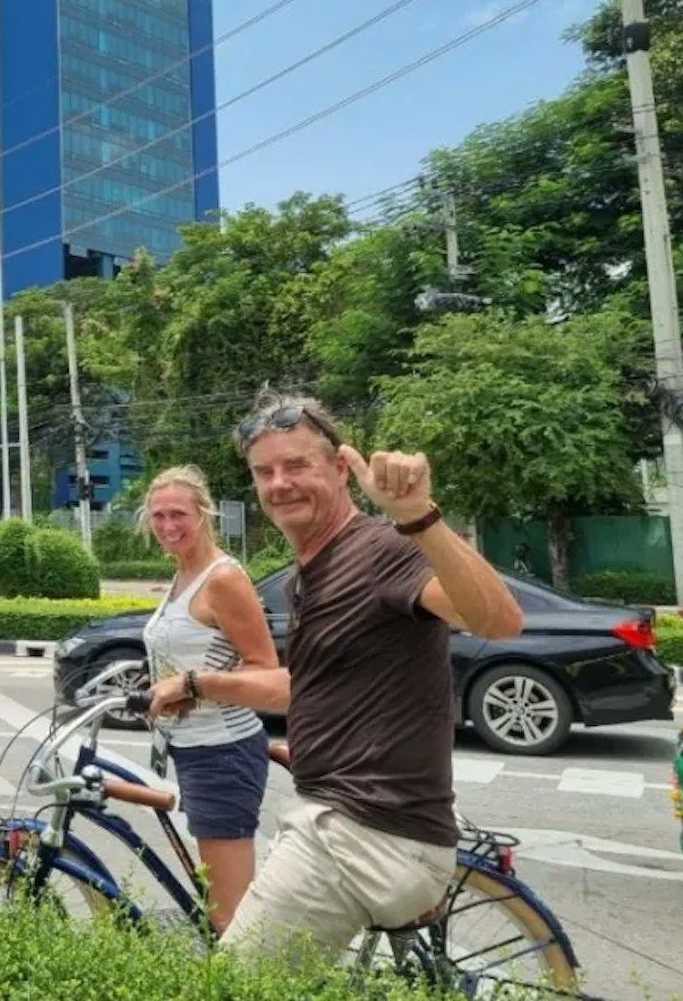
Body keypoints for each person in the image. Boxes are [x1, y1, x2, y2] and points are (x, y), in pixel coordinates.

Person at [149, 390, 524, 958]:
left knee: (236, 984)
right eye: (264, 472)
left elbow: (497, 619)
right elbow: (327, 683)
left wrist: (417, 518)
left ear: (342, 468)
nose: (280, 484)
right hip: (339, 812)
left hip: (365, 832)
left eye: (297, 465)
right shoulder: (308, 574)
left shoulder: (381, 548)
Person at [138, 465, 276, 934]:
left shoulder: (222, 578)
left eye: (178, 514)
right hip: (192, 748)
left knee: (230, 917)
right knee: (217, 902)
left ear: (204, 514)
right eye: (158, 516)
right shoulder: (183, 576)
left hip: (223, 750)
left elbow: (265, 669)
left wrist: (191, 685)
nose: (167, 526)